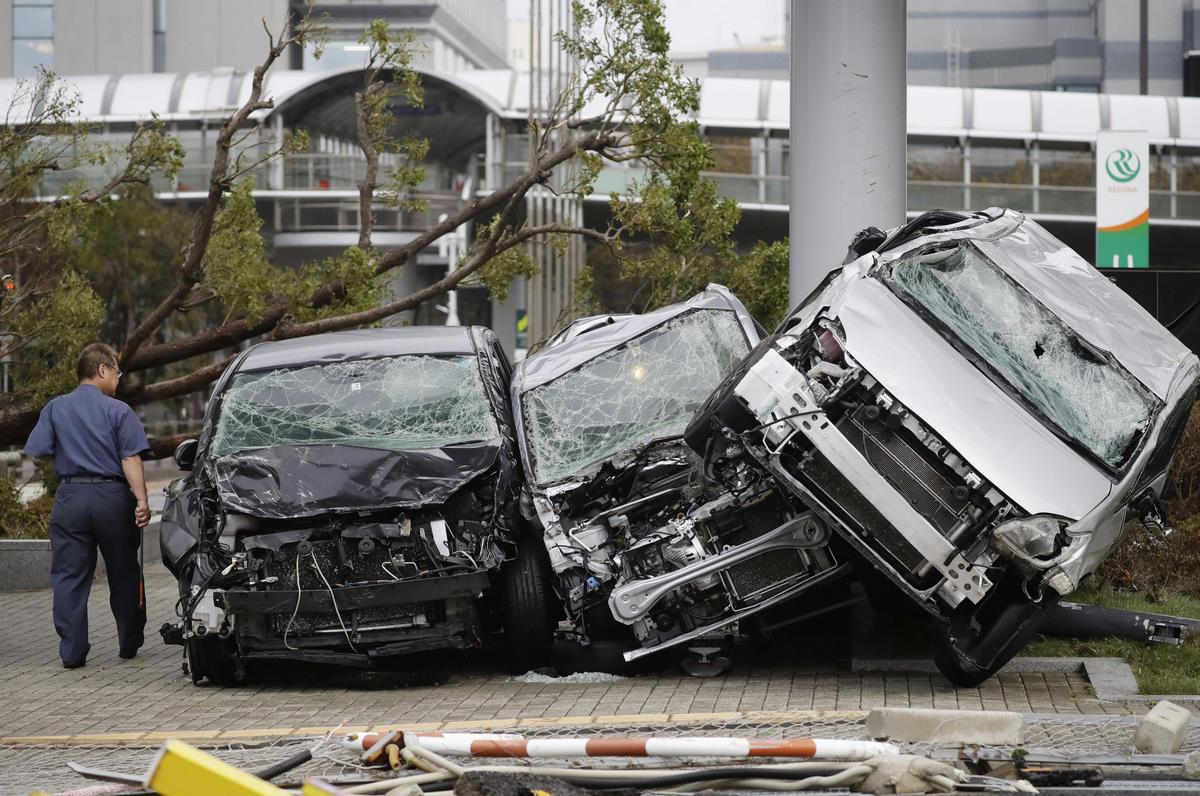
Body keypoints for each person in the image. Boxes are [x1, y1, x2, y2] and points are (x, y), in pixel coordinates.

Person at [23, 343, 152, 669]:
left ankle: (72, 652)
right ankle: (128, 643)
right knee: (123, 571)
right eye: (117, 373)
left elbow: (37, 449)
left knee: (68, 576)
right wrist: (141, 501)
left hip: (70, 498)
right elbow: (129, 457)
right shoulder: (118, 411)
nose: (118, 380)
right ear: (103, 370)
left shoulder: (55, 408)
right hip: (111, 499)